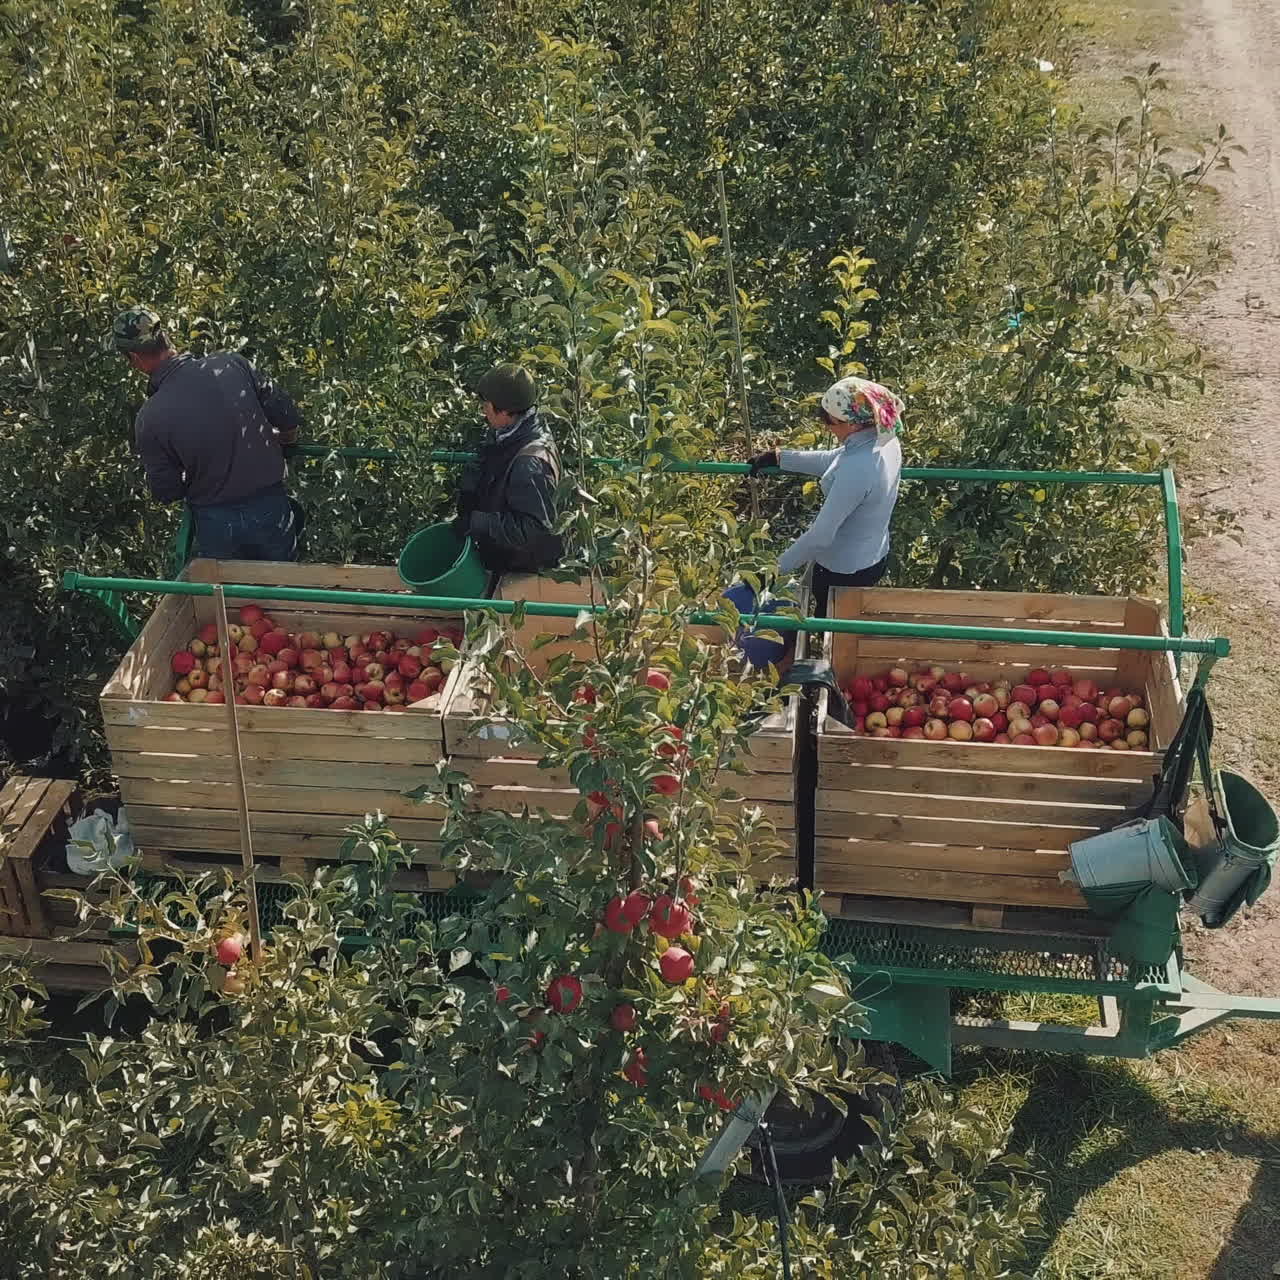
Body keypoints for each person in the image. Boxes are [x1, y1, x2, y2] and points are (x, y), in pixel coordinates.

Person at [111, 306, 304, 561]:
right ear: (167, 337)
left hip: (216, 522)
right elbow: (287, 416)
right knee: (283, 590)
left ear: (134, 358)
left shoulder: (149, 418)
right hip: (270, 507)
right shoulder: (230, 364)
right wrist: (285, 441)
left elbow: (166, 491)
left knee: (229, 598)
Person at [749, 375, 903, 617]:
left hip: (843, 571)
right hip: (871, 555)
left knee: (830, 632)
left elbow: (820, 536)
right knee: (840, 626)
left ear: (852, 424)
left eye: (829, 420)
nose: (826, 426)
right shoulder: (883, 438)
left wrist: (770, 573)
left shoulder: (861, 467)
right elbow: (836, 459)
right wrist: (781, 458)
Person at [454, 363, 563, 575]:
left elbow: (537, 531)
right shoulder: (512, 432)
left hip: (521, 574)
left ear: (505, 411)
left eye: (486, 404)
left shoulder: (530, 463)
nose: (483, 410)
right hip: (503, 562)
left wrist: (478, 522)